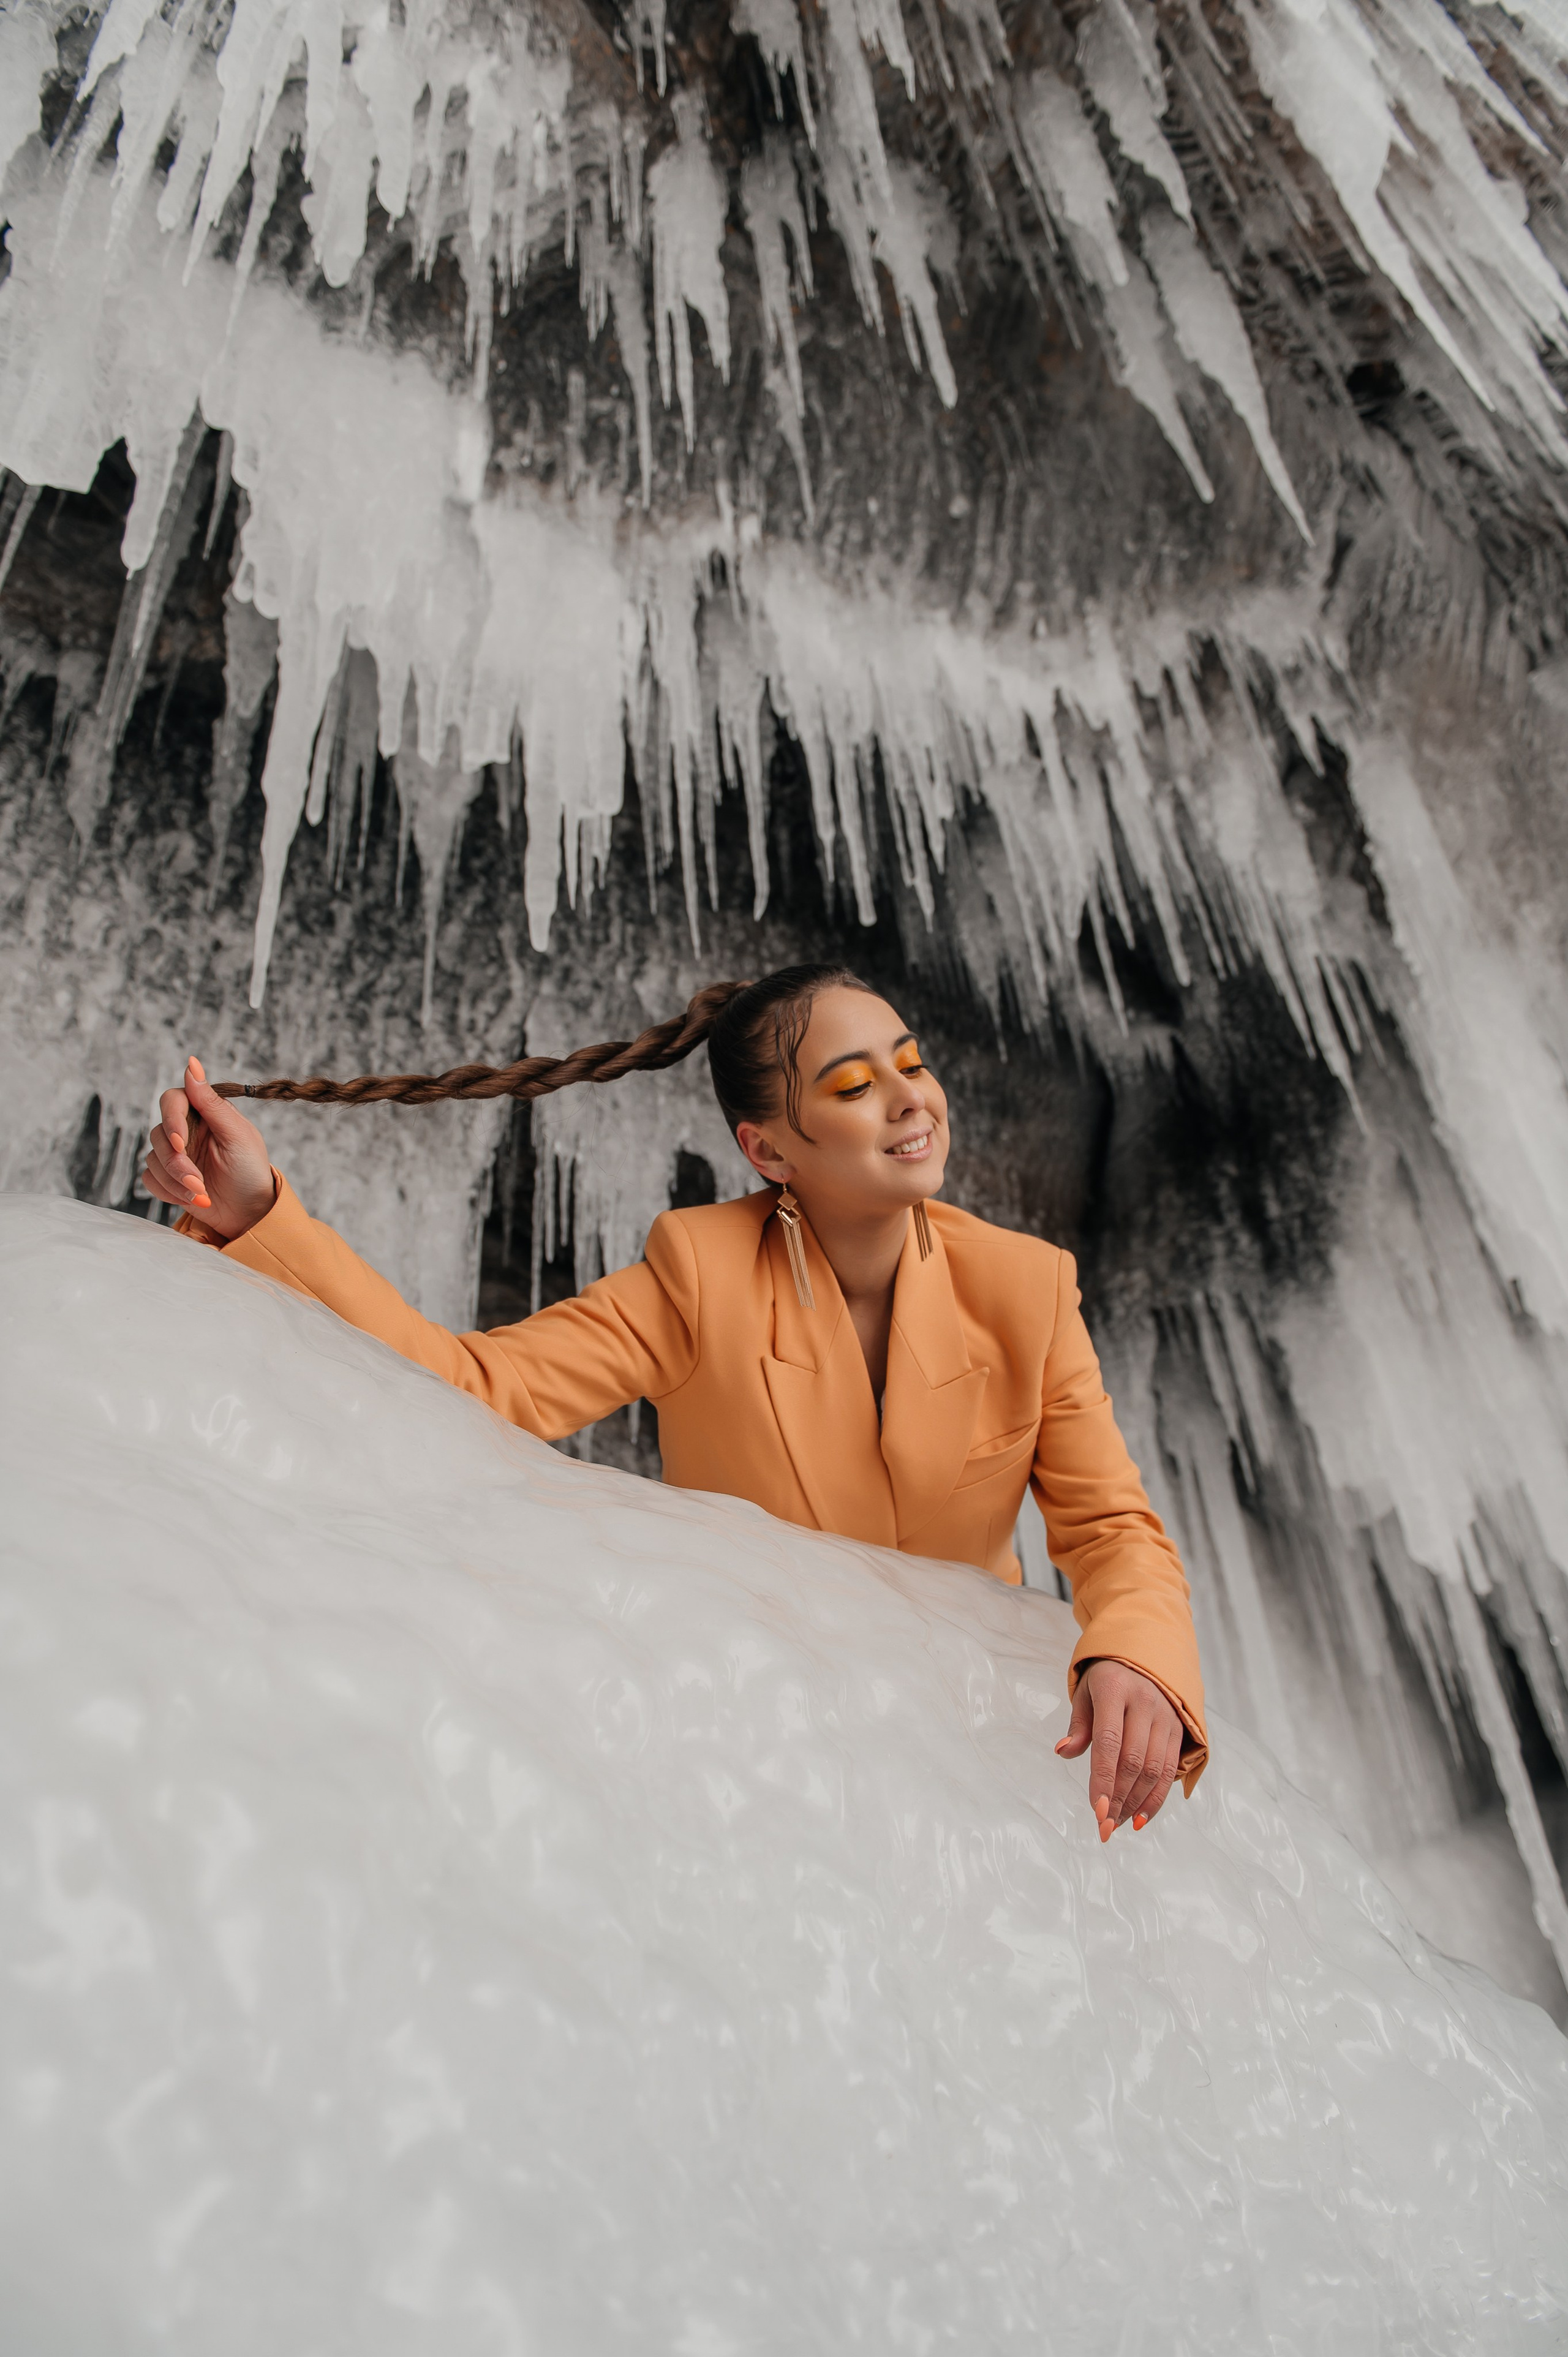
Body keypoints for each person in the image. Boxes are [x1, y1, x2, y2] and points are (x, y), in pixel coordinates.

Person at [145, 965, 1207, 1841]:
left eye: (912, 1063)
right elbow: (478, 1389)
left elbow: (1112, 1530)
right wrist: (260, 1216)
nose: (909, 1098)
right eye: (853, 1085)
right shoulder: (700, 1272)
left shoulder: (1029, 1286)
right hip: (759, 1744)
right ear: (769, 1150)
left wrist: (1137, 1658)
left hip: (977, 1752)